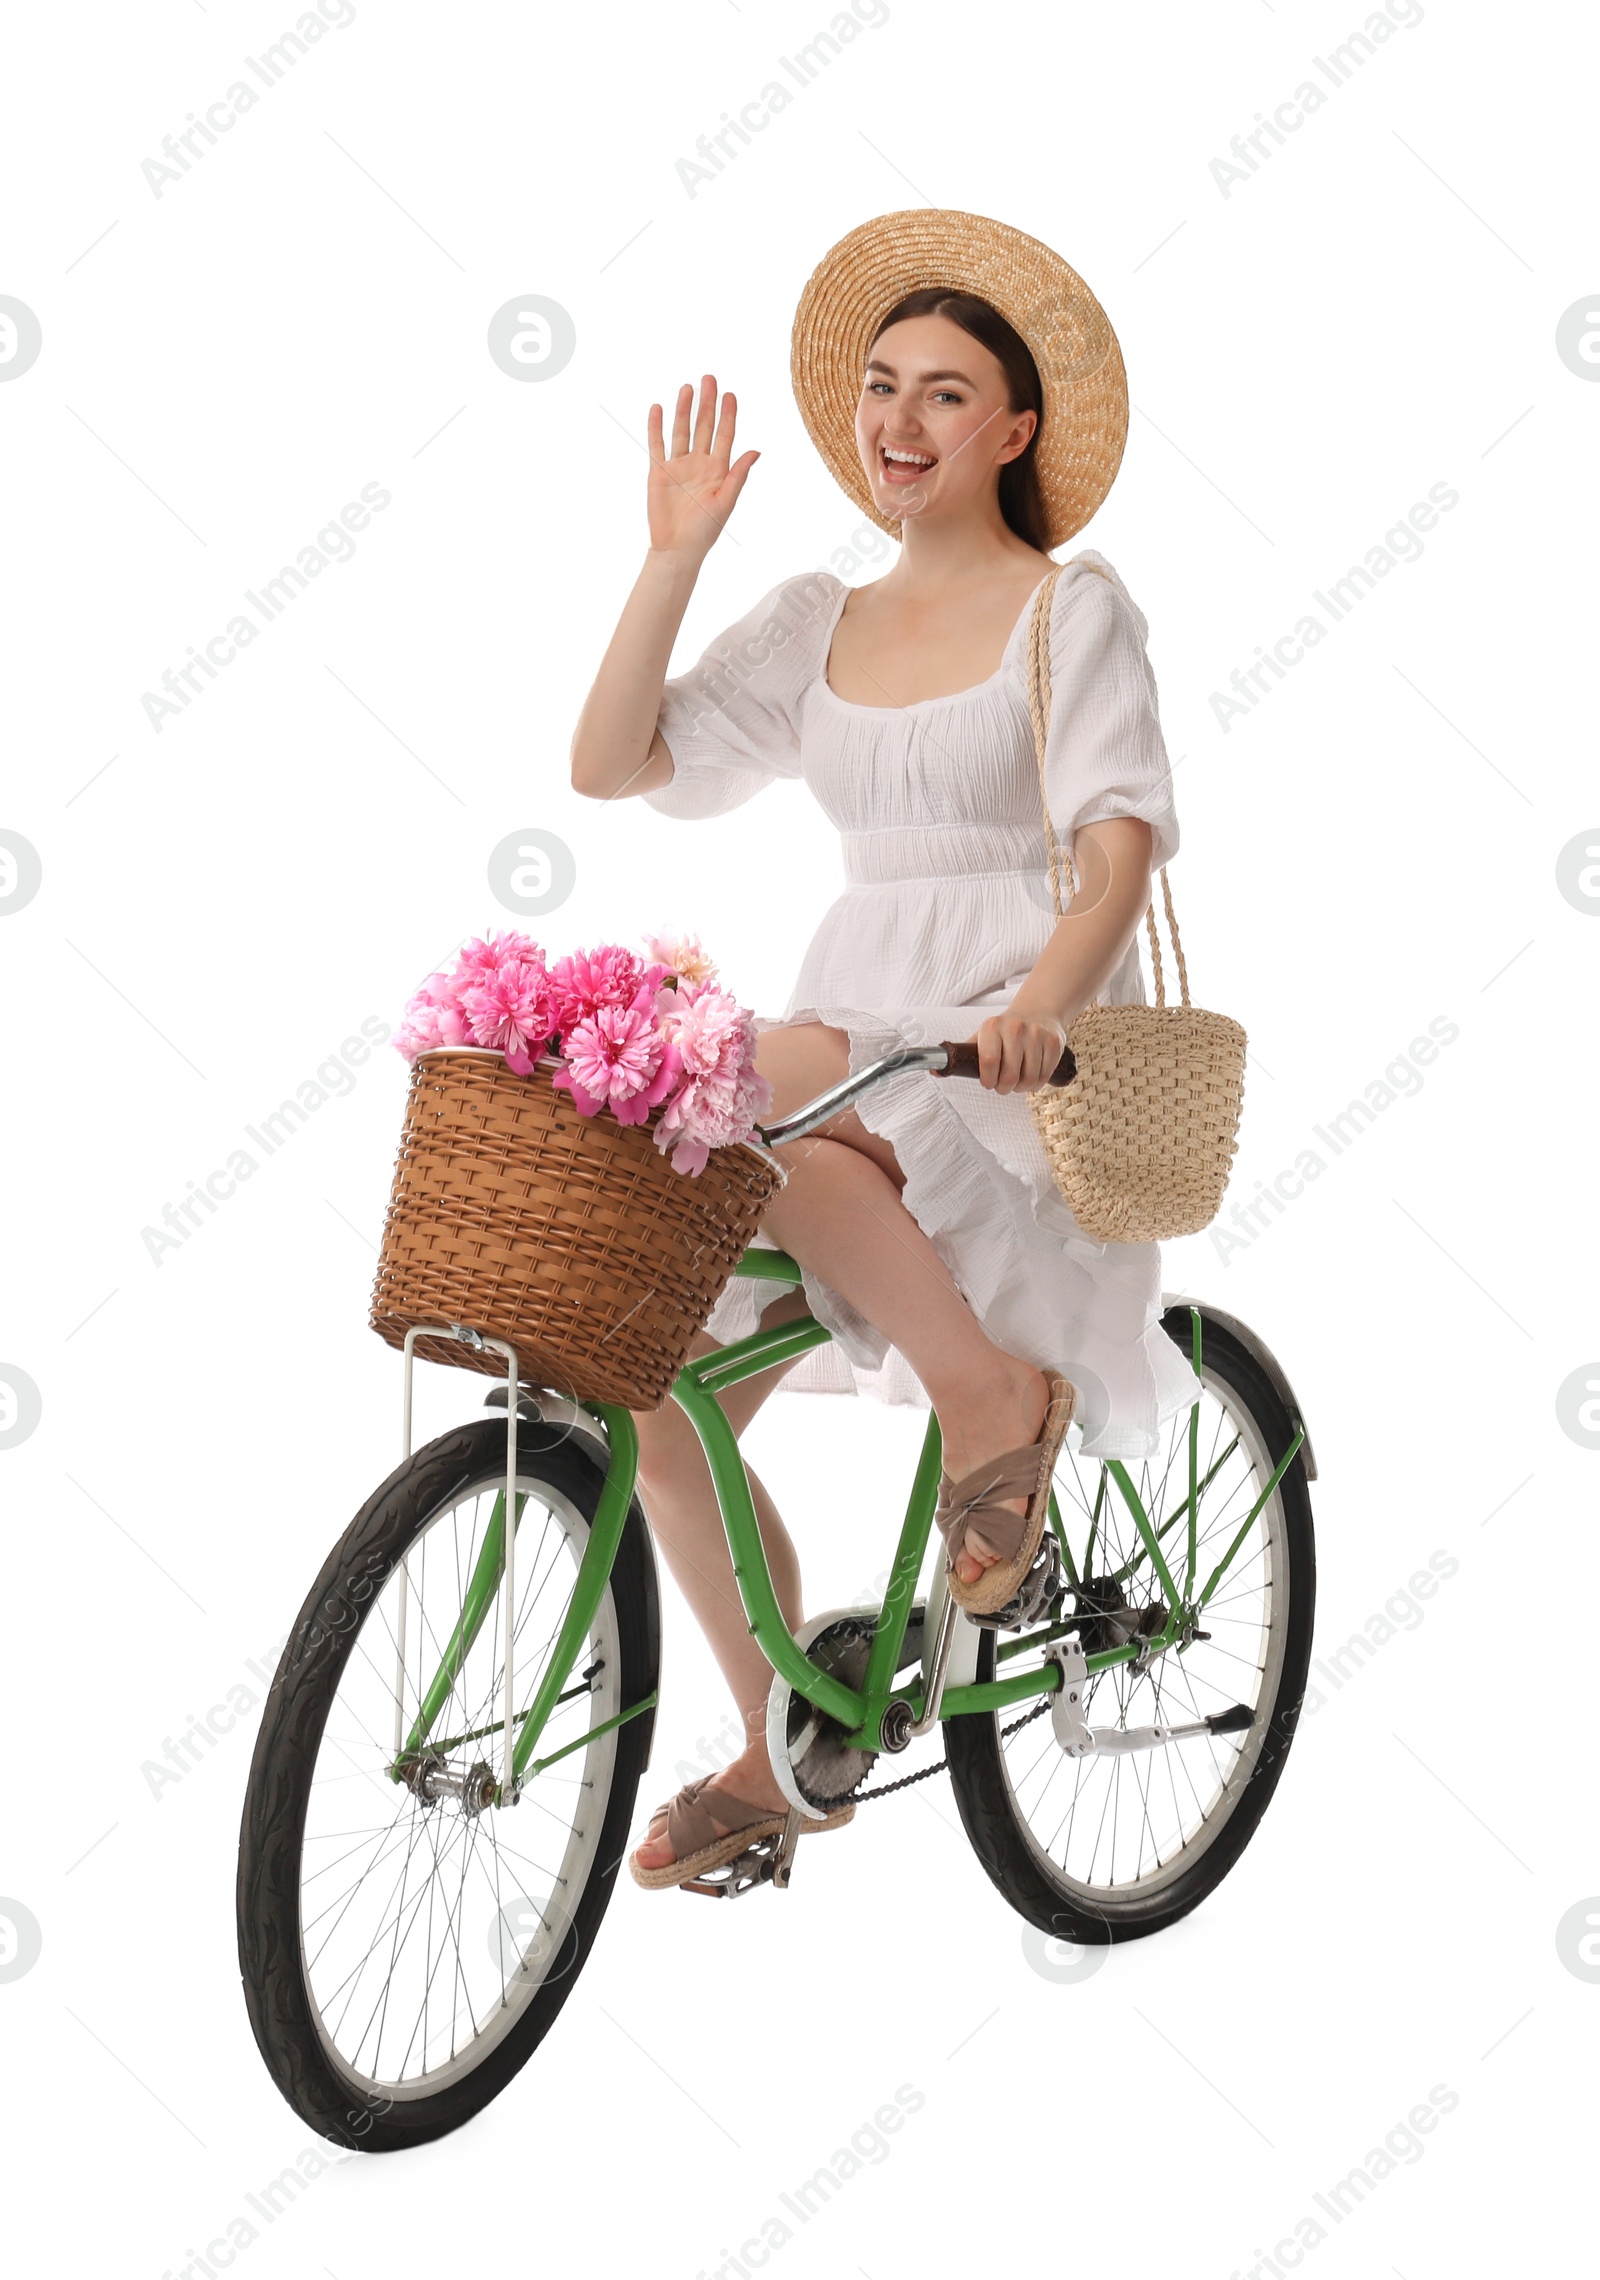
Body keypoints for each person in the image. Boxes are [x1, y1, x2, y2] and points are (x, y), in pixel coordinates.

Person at [569, 210, 1198, 1888]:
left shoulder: (1072, 614)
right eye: (878, 387)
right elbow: (610, 764)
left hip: (1009, 1044)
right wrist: (674, 553)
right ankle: (791, 1741)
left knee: (753, 1073)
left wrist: (1047, 1000)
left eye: (943, 391)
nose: (899, 421)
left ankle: (992, 1397)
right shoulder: (815, 617)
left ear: (1015, 429)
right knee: (648, 1394)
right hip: (861, 1020)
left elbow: (1120, 840)